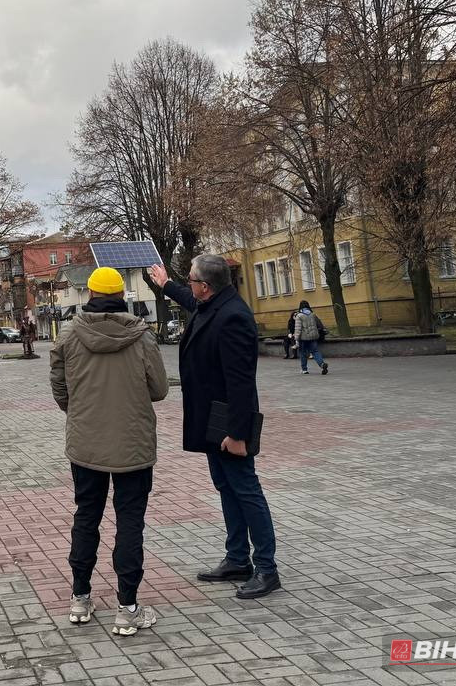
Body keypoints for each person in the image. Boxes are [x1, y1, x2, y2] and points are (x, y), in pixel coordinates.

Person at [149, 254, 280, 599]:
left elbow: (241, 383)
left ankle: (267, 568)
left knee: (246, 490)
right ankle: (238, 558)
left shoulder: (233, 317)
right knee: (226, 487)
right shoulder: (213, 303)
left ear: (206, 286)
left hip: (230, 423)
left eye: (191, 279)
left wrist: (237, 435)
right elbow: (191, 301)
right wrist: (165, 284)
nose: (189, 285)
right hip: (213, 419)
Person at [50, 266, 168, 636]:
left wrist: (80, 412)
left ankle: (80, 598)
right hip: (133, 444)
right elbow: (160, 389)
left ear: (89, 296)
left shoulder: (68, 335)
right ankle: (127, 607)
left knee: (87, 516)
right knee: (129, 521)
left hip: (86, 444)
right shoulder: (142, 337)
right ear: (121, 297)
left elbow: (59, 388)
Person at [294, 300, 328, 375]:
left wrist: (296, 338)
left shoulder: (299, 316)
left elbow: (298, 328)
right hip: (313, 336)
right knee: (315, 351)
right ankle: (322, 364)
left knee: (303, 353)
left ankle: (304, 369)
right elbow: (320, 324)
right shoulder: (313, 314)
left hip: (303, 338)